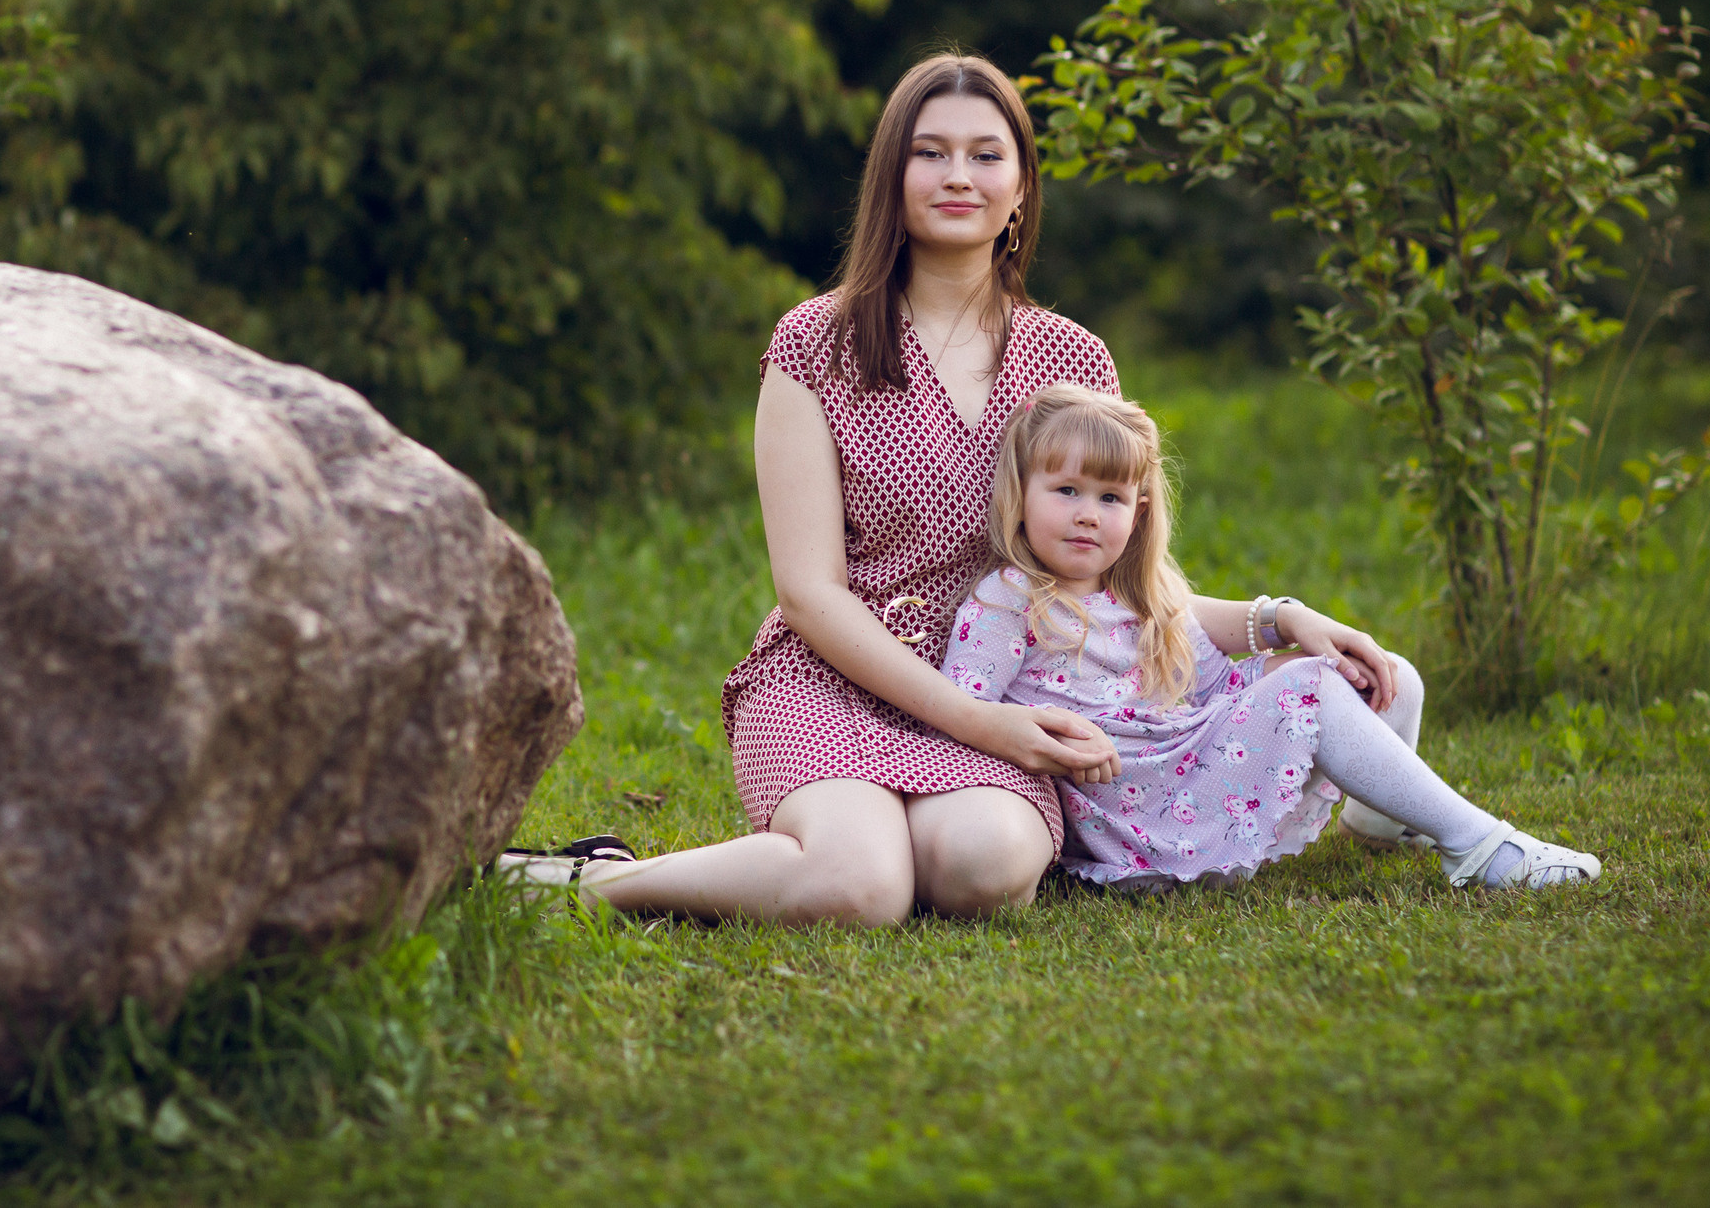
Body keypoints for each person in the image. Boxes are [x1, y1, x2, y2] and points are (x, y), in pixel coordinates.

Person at [502, 52, 1428, 924]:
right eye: (930, 152)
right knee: (859, 888)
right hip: (838, 678)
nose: (959, 174)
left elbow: (1123, 585)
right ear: (891, 179)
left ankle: (881, 837)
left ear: (1020, 188)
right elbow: (809, 591)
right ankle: (587, 883)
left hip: (1012, 684)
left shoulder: (1073, 356)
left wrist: (1279, 619)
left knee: (985, 866)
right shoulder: (812, 345)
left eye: (987, 154)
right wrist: (984, 724)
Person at [942, 383, 1605, 892]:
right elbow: (963, 709)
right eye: (1066, 490)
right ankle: (1478, 844)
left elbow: (1198, 630)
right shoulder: (1011, 598)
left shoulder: (1128, 590)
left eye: (1111, 498)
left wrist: (1292, 618)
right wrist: (1043, 735)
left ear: (1139, 509)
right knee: (1311, 686)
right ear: (1020, 494)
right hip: (1147, 807)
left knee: (1374, 669)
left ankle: (1381, 820)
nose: (1088, 514)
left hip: (1181, 755)